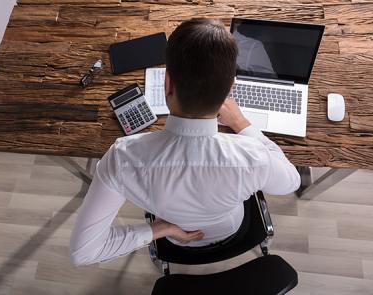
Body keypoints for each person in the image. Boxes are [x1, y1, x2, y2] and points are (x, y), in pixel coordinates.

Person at [69, 18, 300, 266]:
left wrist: (159, 229)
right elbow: (292, 181)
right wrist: (241, 123)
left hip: (176, 238)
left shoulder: (122, 159)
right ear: (230, 90)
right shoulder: (253, 157)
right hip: (230, 227)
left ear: (167, 84)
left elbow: (83, 251)